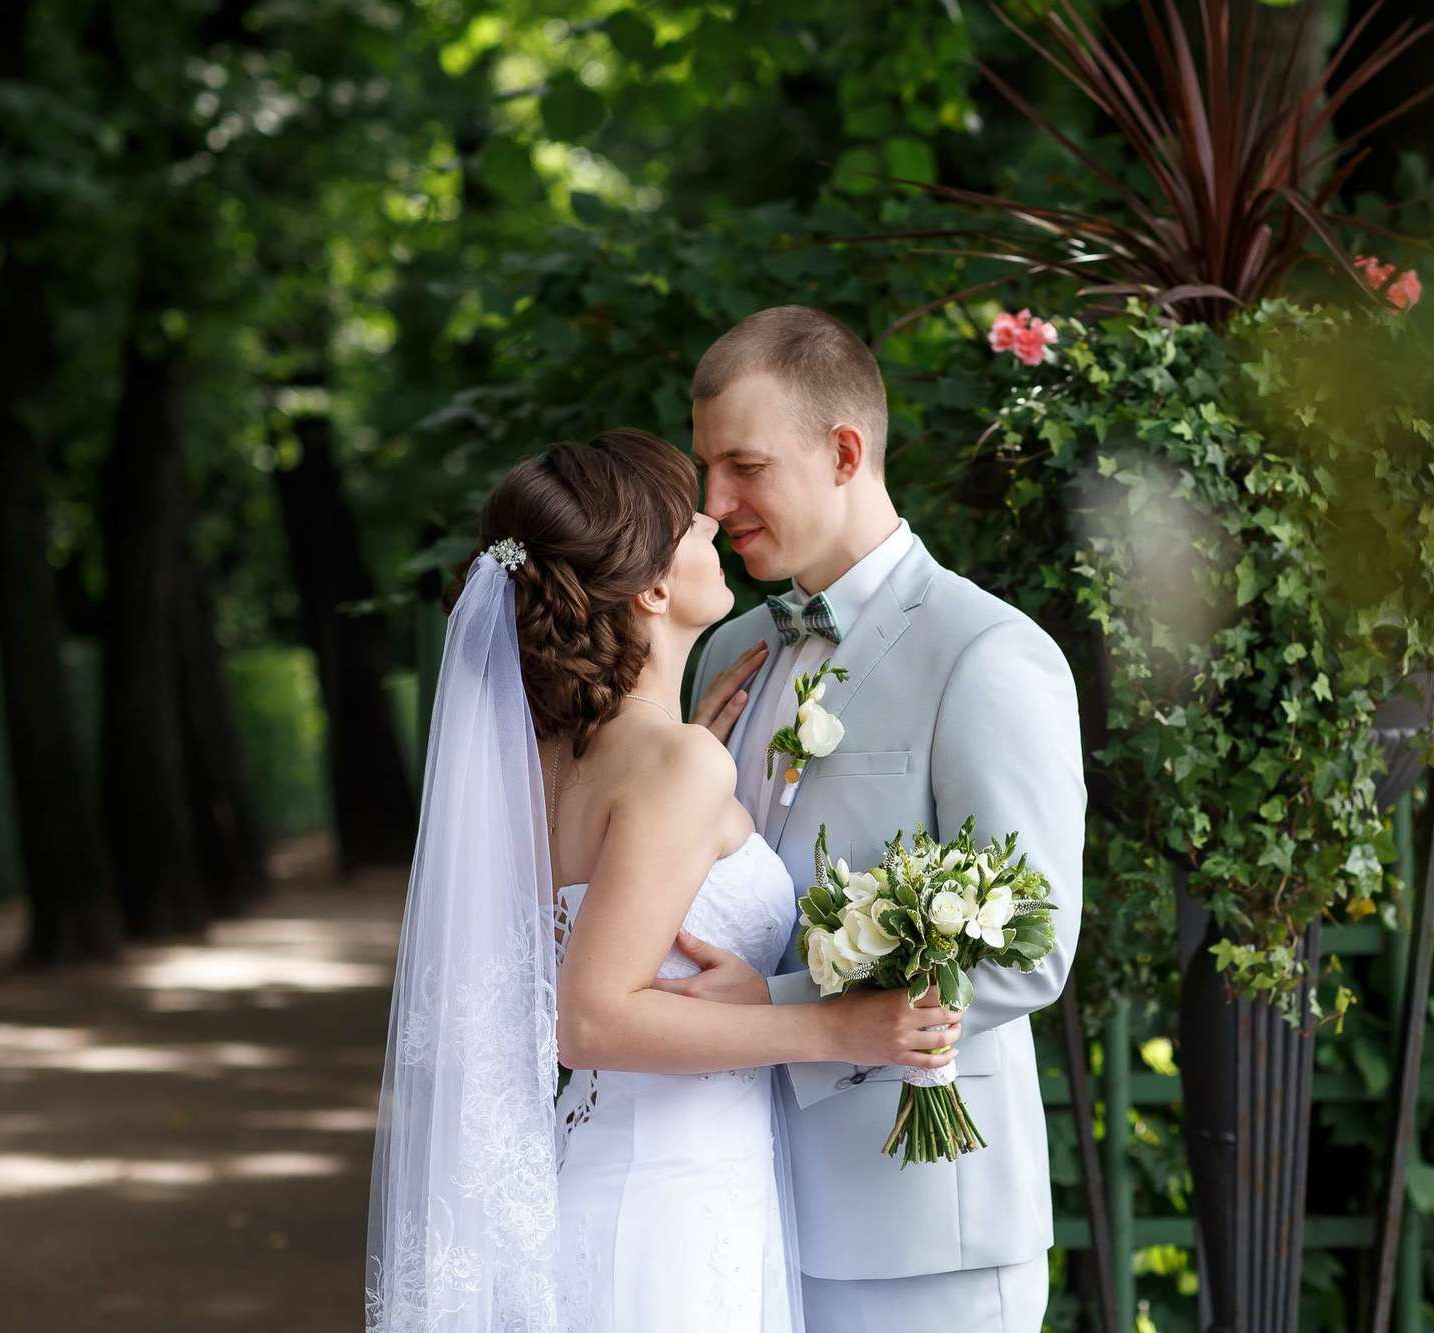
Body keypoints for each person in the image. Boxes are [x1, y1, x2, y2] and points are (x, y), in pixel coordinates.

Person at [365, 428, 962, 1332]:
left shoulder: (555, 760)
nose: (715, 525)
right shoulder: (673, 766)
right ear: (650, 587)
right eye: (690, 524)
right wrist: (836, 1024)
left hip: (611, 1181)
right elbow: (591, 1016)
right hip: (672, 1217)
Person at [679, 307, 1086, 1331]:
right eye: (705, 469)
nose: (713, 503)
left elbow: (1026, 951)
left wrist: (766, 1011)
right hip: (740, 1204)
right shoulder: (732, 647)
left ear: (844, 452)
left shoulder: (985, 653)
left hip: (920, 1229)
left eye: (742, 466)